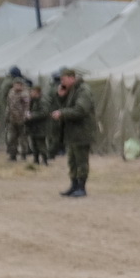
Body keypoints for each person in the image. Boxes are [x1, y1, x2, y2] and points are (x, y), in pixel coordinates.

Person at [49, 68, 95, 196]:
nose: (61, 83)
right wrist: (62, 97)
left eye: (63, 79)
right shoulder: (72, 90)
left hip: (82, 132)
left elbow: (80, 110)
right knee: (72, 161)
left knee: (81, 161)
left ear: (72, 78)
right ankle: (74, 185)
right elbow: (67, 106)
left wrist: (62, 113)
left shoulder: (83, 90)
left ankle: (81, 187)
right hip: (72, 132)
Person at [4, 72, 34, 161]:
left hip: (22, 120)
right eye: (16, 84)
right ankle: (12, 155)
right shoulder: (11, 92)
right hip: (12, 119)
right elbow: (8, 105)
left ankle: (24, 155)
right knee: (11, 138)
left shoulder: (25, 93)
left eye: (19, 85)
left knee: (23, 139)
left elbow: (27, 106)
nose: (17, 86)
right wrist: (7, 116)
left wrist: (26, 116)